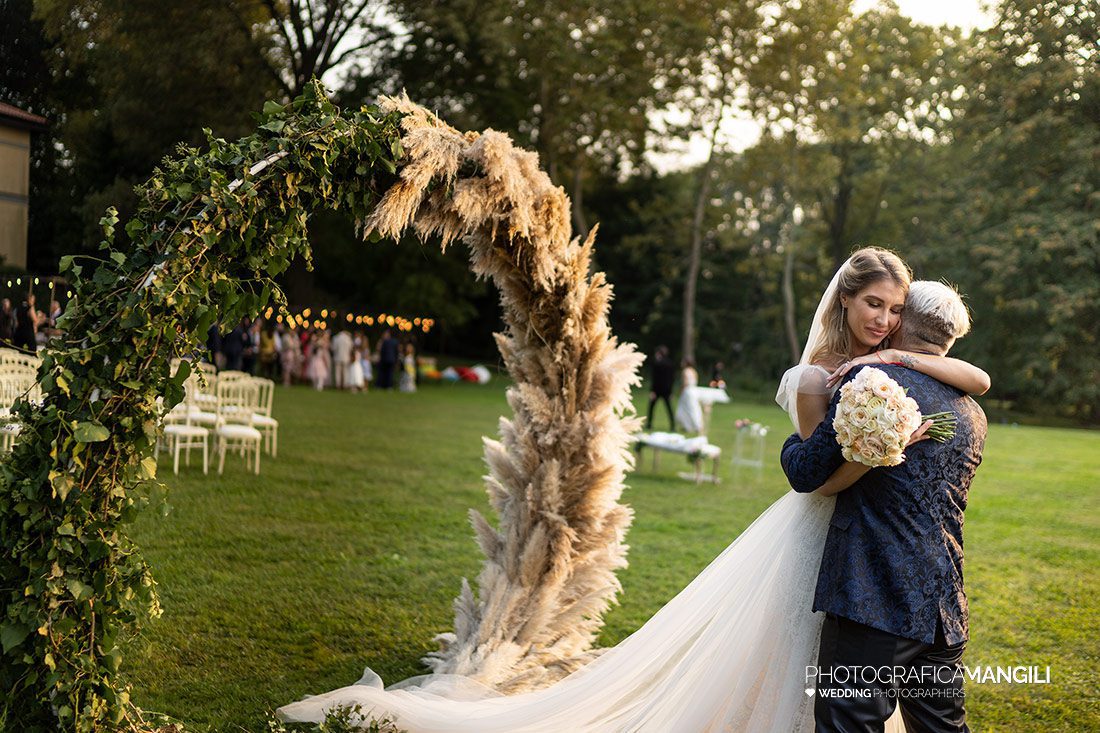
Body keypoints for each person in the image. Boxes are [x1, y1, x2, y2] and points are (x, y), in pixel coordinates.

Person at [278, 248, 990, 732]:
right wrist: (875, 450)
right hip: (824, 524)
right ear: (846, 299)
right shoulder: (821, 376)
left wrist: (896, 365)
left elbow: (974, 379)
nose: (884, 319)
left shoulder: (896, 371)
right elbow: (816, 476)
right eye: (873, 304)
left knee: (845, 683)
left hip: (869, 550)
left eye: (895, 309)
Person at [781, 280, 987, 732]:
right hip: (944, 603)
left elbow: (804, 473)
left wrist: (792, 441)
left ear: (902, 322)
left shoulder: (874, 385)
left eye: (894, 310)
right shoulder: (973, 410)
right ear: (949, 338)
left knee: (847, 724)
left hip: (872, 595)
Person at [645, 345, 675, 431]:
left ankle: (649, 424)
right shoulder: (670, 364)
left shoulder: (657, 364)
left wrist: (652, 391)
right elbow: (672, 379)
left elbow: (655, 379)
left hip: (657, 390)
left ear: (659, 353)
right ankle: (672, 426)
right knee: (669, 409)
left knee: (651, 408)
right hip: (667, 390)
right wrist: (670, 391)